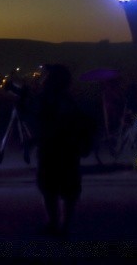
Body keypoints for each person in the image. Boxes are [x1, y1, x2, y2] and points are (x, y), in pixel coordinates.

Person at [30, 64, 93, 237]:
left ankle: (56, 224)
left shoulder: (54, 101)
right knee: (64, 190)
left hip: (55, 149)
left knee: (53, 188)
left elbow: (42, 123)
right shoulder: (69, 100)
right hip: (66, 150)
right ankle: (61, 225)